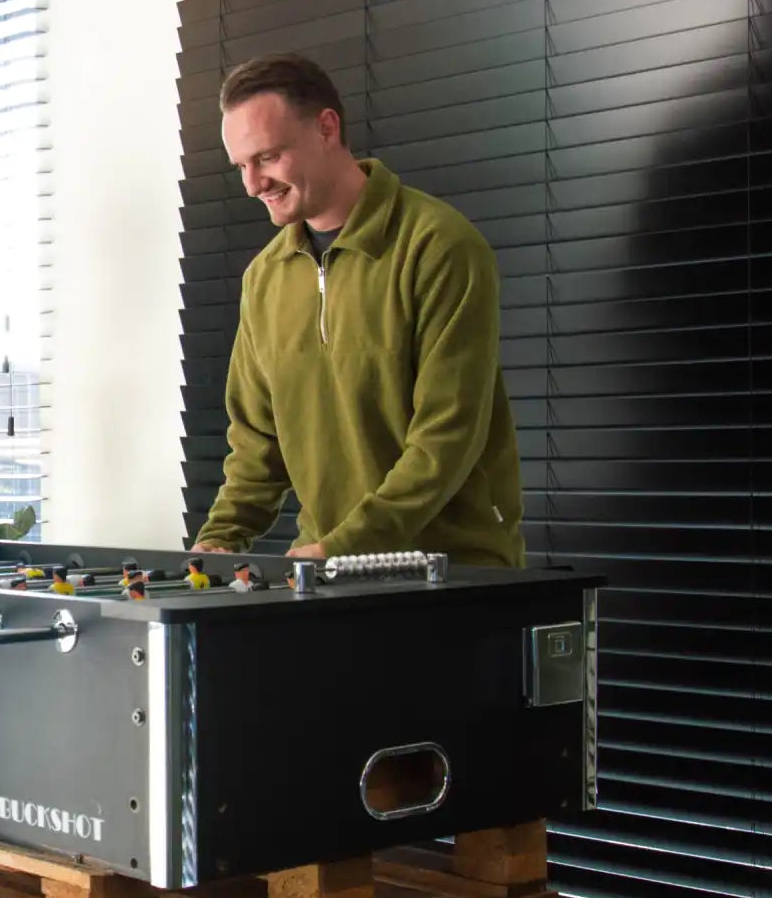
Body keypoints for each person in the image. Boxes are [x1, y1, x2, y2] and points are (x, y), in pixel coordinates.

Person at [192, 52, 525, 568]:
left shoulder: (438, 246)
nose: (253, 185)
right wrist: (219, 540)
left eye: (268, 157)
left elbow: (447, 436)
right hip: (327, 575)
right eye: (241, 165)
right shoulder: (265, 278)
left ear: (327, 128)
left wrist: (345, 548)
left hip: (452, 576)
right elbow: (259, 445)